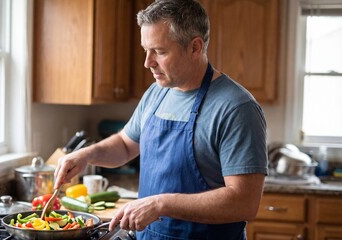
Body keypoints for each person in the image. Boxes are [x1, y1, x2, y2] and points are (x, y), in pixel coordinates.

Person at [53, 0, 268, 239]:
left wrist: (161, 204)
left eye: (160, 51)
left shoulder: (236, 108)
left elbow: (244, 203)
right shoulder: (157, 93)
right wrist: (86, 155)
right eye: (146, 50)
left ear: (195, 47)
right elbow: (125, 145)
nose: (148, 62)